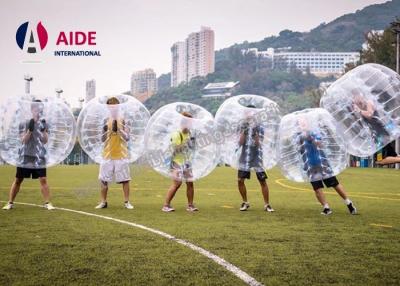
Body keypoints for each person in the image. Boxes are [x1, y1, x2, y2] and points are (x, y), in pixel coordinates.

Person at [296, 118, 356, 215]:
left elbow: (320, 144)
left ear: (308, 123)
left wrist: (311, 138)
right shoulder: (298, 137)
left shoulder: (315, 133)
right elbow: (298, 149)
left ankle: (348, 203)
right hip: (310, 166)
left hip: (322, 163)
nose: (302, 124)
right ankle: (326, 207)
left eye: (304, 122)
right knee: (317, 188)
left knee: (334, 184)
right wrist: (302, 139)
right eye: (300, 123)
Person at [3, 100, 55, 210]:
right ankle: (10, 203)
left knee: (43, 179)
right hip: (25, 155)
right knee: (18, 180)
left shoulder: (44, 123)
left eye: (41, 110)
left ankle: (47, 203)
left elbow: (45, 141)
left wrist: (44, 130)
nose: (39, 112)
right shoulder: (24, 123)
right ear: (32, 110)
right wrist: (30, 130)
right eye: (37, 109)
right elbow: (23, 141)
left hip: (39, 156)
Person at [95, 97, 133, 209]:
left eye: (115, 106)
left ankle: (127, 202)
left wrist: (120, 130)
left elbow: (127, 138)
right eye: (110, 107)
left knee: (125, 179)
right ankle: (103, 202)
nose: (113, 109)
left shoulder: (123, 119)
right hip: (107, 154)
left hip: (121, 154)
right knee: (103, 179)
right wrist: (107, 130)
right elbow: (102, 139)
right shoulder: (105, 120)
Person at [236, 105, 274, 212]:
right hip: (245, 157)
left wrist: (255, 133)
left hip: (257, 157)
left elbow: (259, 144)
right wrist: (244, 131)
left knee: (262, 180)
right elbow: (240, 143)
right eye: (247, 112)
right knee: (240, 180)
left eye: (251, 112)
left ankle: (267, 204)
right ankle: (245, 202)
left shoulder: (260, 126)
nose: (249, 114)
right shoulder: (242, 125)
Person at [162, 112, 198, 212]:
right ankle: (166, 205)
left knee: (190, 183)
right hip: (176, 162)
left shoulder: (190, 134)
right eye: (189, 123)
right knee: (177, 183)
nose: (191, 125)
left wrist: (192, 143)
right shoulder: (177, 134)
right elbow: (174, 149)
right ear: (184, 123)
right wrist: (186, 142)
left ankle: (190, 205)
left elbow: (192, 148)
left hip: (187, 162)